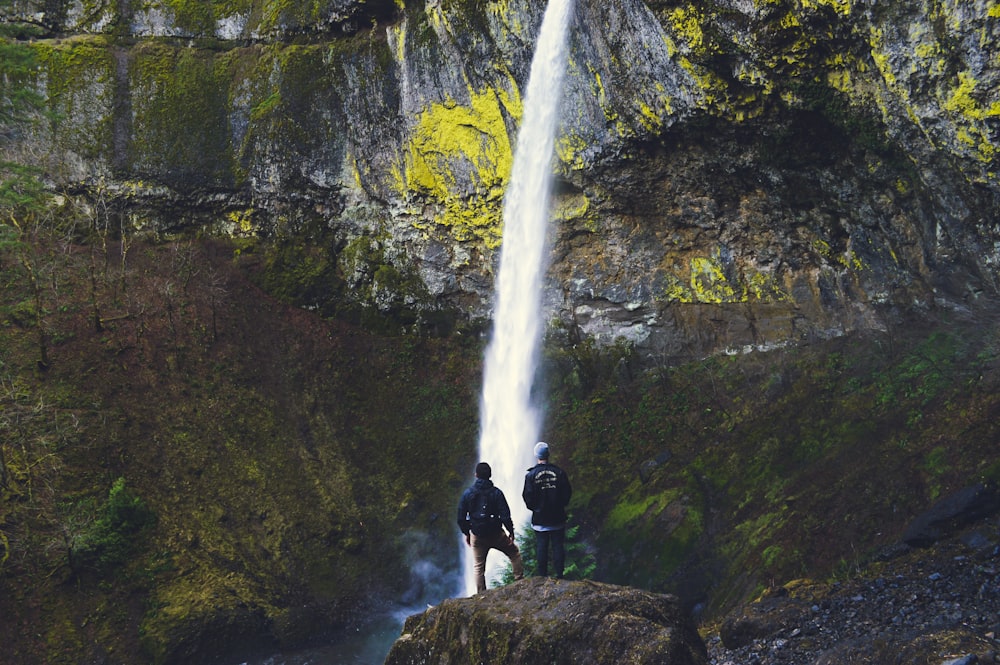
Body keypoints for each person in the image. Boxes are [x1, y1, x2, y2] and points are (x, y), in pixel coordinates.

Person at [457, 461, 524, 593]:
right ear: (490, 475)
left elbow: (461, 517)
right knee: (514, 554)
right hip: (496, 534)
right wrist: (511, 531)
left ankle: (481, 594)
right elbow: (505, 515)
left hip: (477, 535)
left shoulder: (467, 494)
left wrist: (467, 533)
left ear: (476, 475)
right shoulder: (497, 493)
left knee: (478, 567)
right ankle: (519, 581)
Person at [522, 441, 572, 578]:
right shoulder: (559, 472)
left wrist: (536, 508)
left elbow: (527, 496)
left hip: (539, 518)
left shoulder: (530, 475)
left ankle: (542, 576)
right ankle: (559, 575)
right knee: (557, 546)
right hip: (557, 516)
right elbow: (567, 493)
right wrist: (559, 505)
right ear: (548, 454)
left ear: (536, 455)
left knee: (541, 546)